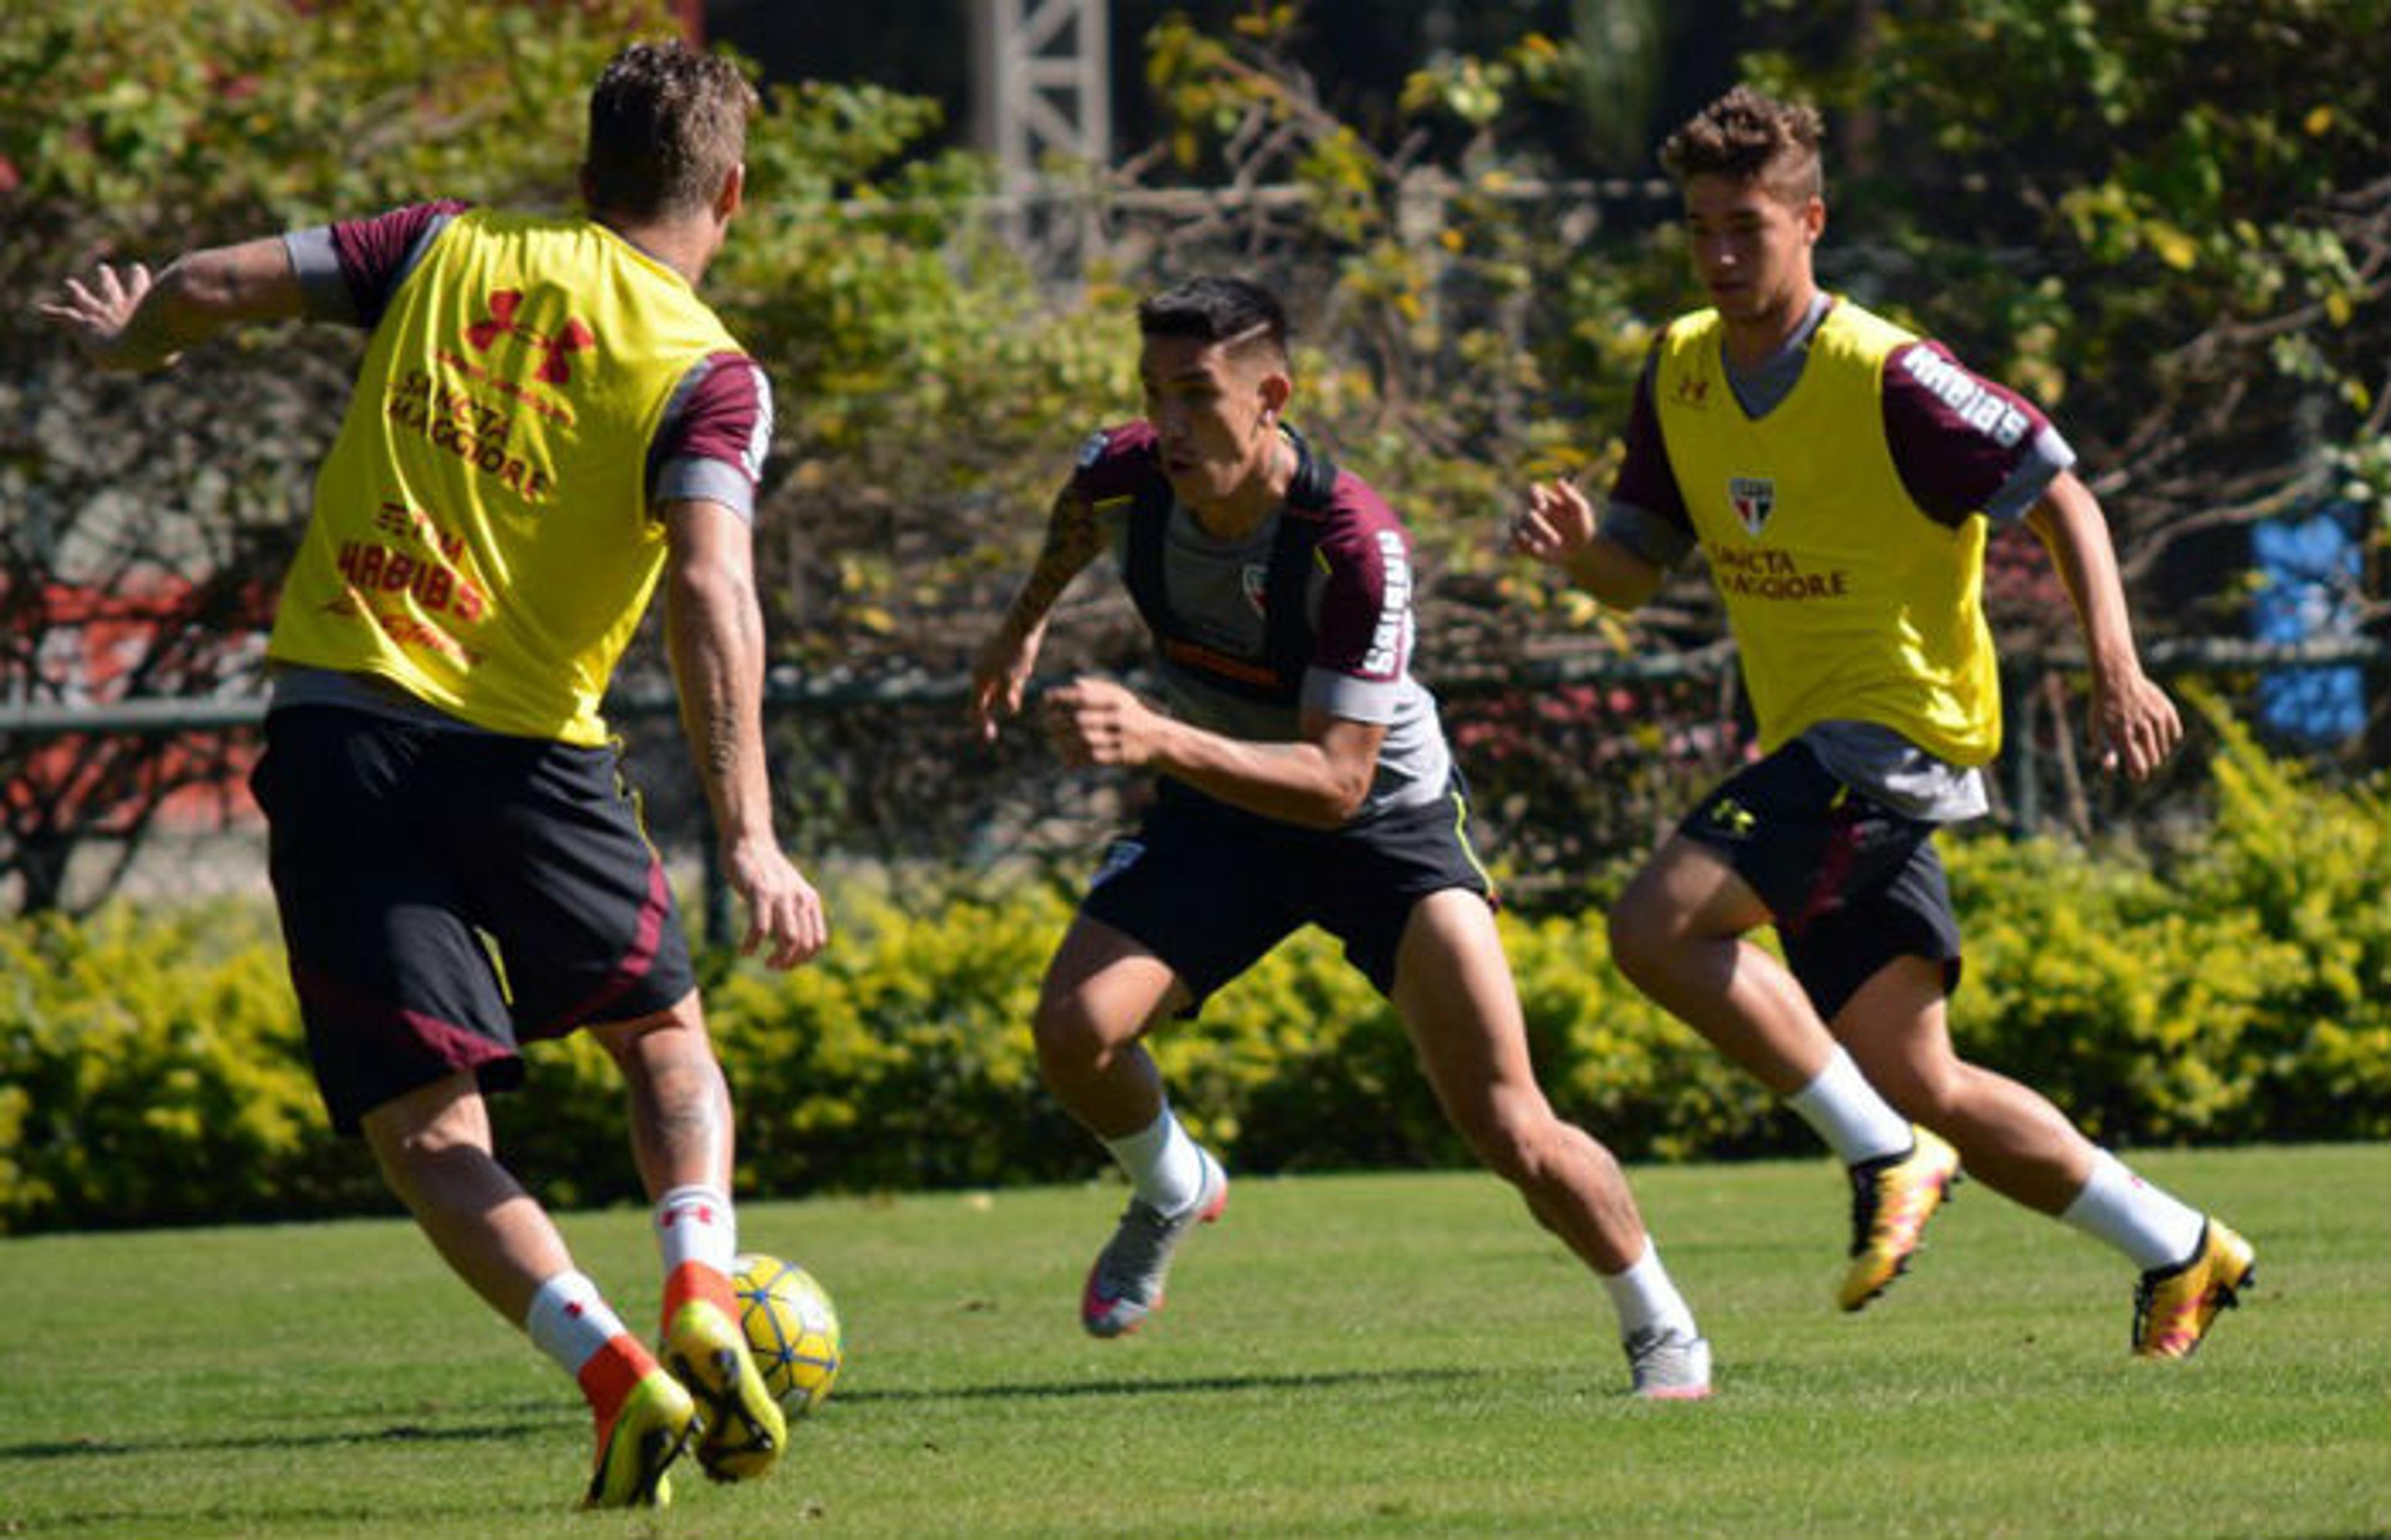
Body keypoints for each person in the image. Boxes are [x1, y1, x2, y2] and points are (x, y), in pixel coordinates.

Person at [40, 40, 826, 1507]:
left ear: (585, 179)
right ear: (732, 191)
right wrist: (757, 836)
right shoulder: (711, 375)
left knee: (426, 1124)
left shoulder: (441, 247)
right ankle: (701, 1294)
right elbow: (714, 584)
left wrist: (125, 338)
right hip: (539, 757)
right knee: (663, 1042)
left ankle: (613, 1375)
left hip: (344, 741)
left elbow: (207, 286)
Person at [1511, 86, 2253, 1358]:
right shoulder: (1682, 367)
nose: (1723, 253)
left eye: (1748, 225)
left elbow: (2057, 489)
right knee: (1927, 1074)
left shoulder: (1890, 373)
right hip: (1816, 747)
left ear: (1810, 219)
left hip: (1892, 738)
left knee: (1653, 928)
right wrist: (1582, 554)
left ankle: (1883, 1156)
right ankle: (2182, 1249)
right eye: (1701, 229)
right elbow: (1642, 564)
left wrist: (2114, 667)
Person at [969, 276, 1713, 1399]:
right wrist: (1017, 631)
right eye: (1151, 394)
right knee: (1075, 1031)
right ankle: (1174, 1182)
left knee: (1509, 1122)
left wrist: (1156, 735)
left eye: (1198, 396)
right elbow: (1074, 526)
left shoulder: (1353, 543)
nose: (1167, 425)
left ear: (1273, 395)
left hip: (1381, 826)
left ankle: (1662, 1324)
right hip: (1221, 813)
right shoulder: (1126, 475)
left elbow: (1334, 781)